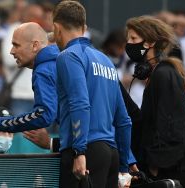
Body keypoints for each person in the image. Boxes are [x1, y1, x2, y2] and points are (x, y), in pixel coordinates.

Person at [52, 1, 132, 187]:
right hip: (111, 154)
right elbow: (123, 119)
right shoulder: (106, 61)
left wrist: (79, 152)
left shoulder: (68, 56)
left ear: (56, 28)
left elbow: (80, 103)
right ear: (84, 27)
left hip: (85, 153)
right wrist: (124, 165)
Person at [123, 15, 185, 188]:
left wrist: (155, 166)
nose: (129, 43)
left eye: (133, 38)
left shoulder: (163, 74)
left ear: (150, 42)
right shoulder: (160, 73)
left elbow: (172, 126)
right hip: (170, 168)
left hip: (170, 170)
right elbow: (146, 122)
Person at [0, 22, 59, 143]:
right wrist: (51, 144)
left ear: (35, 45)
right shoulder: (57, 61)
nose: (11, 51)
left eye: (16, 45)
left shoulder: (43, 70)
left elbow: (44, 115)